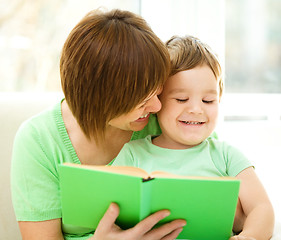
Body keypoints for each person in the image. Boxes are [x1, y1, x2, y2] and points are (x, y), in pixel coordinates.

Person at [11, 9, 187, 240]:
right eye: (143, 101)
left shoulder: (162, 120)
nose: (156, 107)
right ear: (99, 99)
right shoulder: (39, 140)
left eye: (158, 92)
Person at [113, 35, 275, 240]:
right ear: (157, 102)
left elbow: (261, 208)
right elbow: (110, 217)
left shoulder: (226, 156)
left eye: (208, 100)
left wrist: (248, 236)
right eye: (182, 99)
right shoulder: (133, 153)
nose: (197, 109)